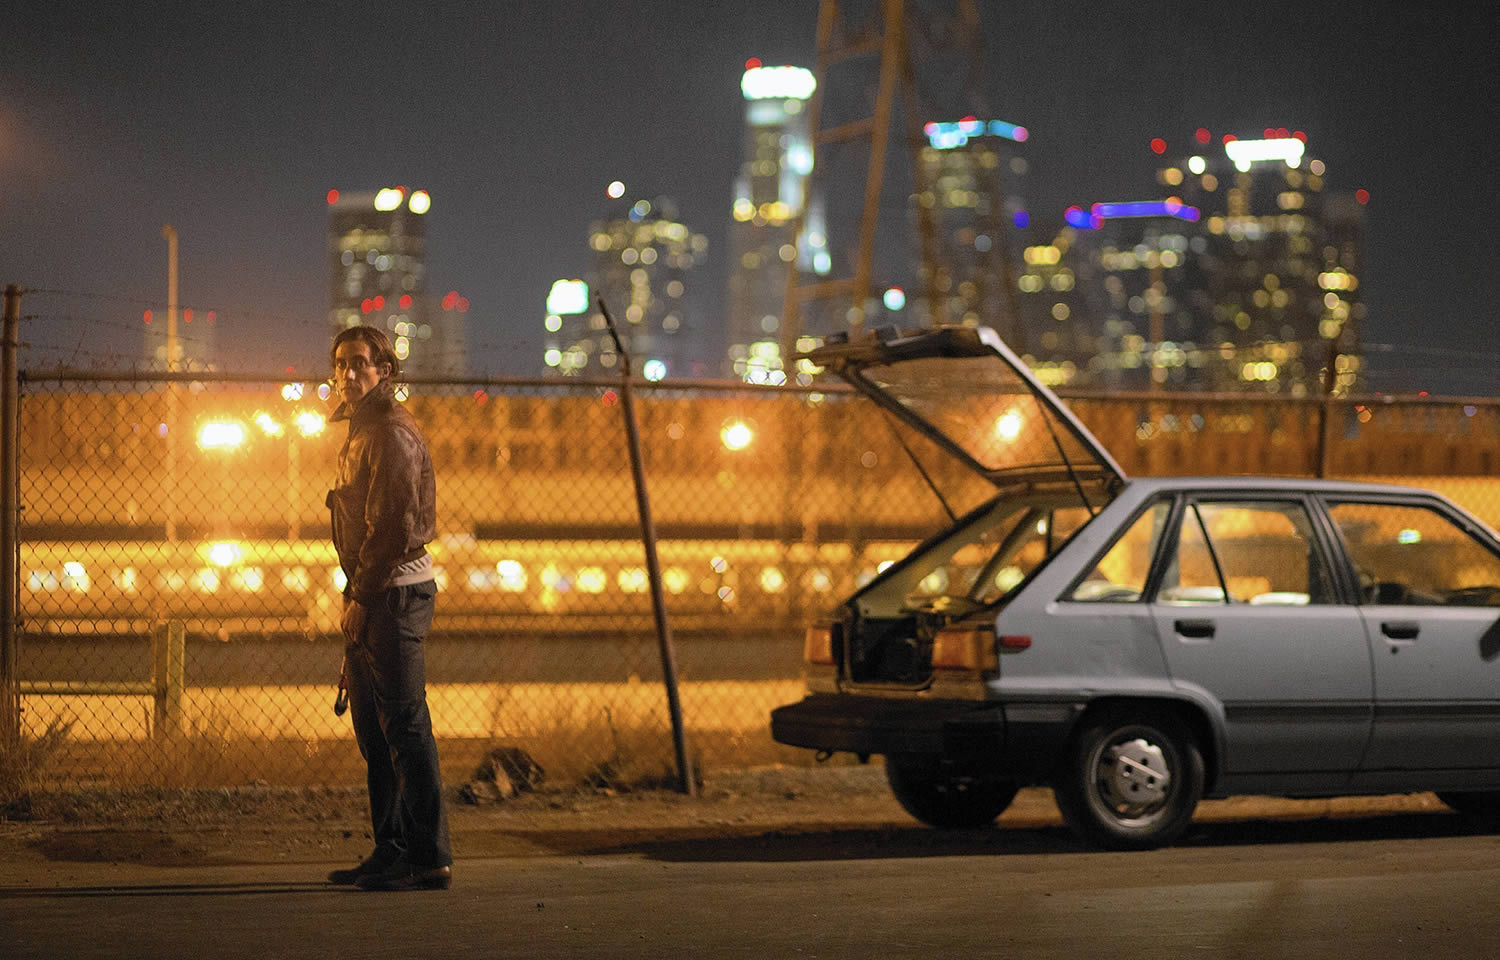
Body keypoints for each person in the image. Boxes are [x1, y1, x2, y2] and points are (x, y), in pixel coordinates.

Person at [323, 325, 452, 891]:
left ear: (385, 372)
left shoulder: (390, 433)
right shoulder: (362, 432)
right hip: (375, 589)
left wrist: (360, 598)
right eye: (341, 364)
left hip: (393, 594)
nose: (348, 373)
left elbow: (393, 527)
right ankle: (392, 847)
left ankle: (429, 857)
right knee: (374, 728)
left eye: (360, 364)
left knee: (403, 722)